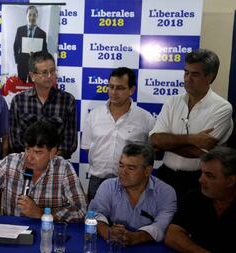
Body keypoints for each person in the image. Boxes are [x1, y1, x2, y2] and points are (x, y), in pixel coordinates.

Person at [150, 49, 233, 200]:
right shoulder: (172, 102)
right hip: (165, 175)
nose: (188, 79)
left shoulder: (222, 107)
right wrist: (192, 139)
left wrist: (167, 143)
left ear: (210, 77)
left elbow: (202, 153)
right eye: (186, 72)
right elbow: (155, 140)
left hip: (198, 180)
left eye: (195, 74)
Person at [0, 120, 87, 223]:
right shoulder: (11, 162)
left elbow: (80, 210)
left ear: (52, 153)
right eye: (27, 149)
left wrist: (41, 214)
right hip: (12, 234)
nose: (29, 157)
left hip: (46, 234)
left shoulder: (63, 168)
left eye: (38, 152)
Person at [81, 67, 155, 202]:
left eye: (120, 88)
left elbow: (150, 153)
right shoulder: (94, 115)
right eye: (111, 87)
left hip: (131, 184)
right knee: (95, 221)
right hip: (97, 182)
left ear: (131, 90)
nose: (114, 92)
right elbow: (87, 147)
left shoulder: (145, 118)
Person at [89, 143, 176, 246]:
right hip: (114, 245)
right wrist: (107, 232)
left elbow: (161, 226)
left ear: (148, 171)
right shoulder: (108, 186)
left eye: (131, 168)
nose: (122, 172)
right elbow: (94, 214)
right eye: (121, 165)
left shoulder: (166, 192)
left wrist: (135, 237)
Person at [164, 147, 236, 253]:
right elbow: (172, 235)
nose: (201, 180)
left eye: (209, 175)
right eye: (202, 173)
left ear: (230, 181)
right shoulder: (194, 197)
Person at [9, 51, 77, 159]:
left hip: (56, 166)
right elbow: (15, 141)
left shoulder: (67, 100)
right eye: (44, 72)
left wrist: (49, 160)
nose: (50, 76)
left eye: (52, 71)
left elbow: (69, 142)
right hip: (26, 164)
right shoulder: (19, 101)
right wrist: (34, 159)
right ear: (32, 76)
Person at [14, 5, 48, 82]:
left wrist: (39, 57)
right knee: (20, 84)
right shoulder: (20, 30)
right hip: (22, 63)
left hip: (35, 64)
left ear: (37, 16)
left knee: (33, 85)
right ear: (26, 16)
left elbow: (44, 50)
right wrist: (17, 59)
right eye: (29, 15)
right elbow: (16, 45)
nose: (32, 18)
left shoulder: (42, 33)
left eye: (34, 15)